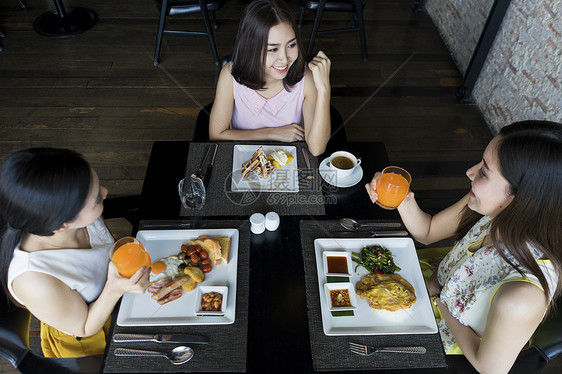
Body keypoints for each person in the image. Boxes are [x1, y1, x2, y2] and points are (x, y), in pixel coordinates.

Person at [365, 121, 561, 373]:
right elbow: (427, 231)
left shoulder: (523, 297)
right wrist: (399, 197)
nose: (470, 172)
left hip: (439, 344)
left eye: (484, 172)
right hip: (425, 289)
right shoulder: (490, 205)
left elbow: (489, 367)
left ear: (521, 197)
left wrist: (440, 303)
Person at [0, 148, 150, 358]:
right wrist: (114, 289)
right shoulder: (33, 280)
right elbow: (84, 328)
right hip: (89, 341)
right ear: (62, 225)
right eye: (97, 198)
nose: (106, 192)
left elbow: (102, 249)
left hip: (121, 299)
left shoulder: (74, 216)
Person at [209, 0, 331, 156]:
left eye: (291, 45)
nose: (284, 59)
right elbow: (216, 135)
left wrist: (324, 89)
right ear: (251, 48)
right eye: (273, 49)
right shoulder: (229, 75)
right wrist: (272, 133)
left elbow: (316, 148)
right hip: (242, 160)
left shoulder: (306, 78)